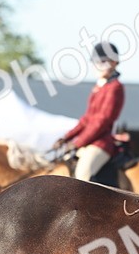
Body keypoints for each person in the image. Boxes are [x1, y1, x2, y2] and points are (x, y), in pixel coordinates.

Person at [53, 42, 126, 181]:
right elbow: (87, 119)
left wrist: (77, 143)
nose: (98, 66)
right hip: (89, 142)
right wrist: (66, 138)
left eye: (103, 62)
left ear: (114, 63)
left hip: (101, 143)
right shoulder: (98, 88)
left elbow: (102, 121)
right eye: (97, 62)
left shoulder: (115, 88)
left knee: (82, 175)